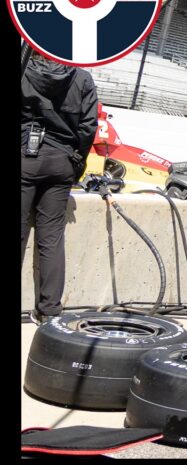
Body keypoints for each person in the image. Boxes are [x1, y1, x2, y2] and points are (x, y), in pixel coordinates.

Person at [21, 49, 98, 325]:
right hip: (62, 162)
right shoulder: (83, 78)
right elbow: (88, 128)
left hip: (25, 159)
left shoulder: (25, 69)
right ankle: (49, 311)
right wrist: (76, 161)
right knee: (51, 239)